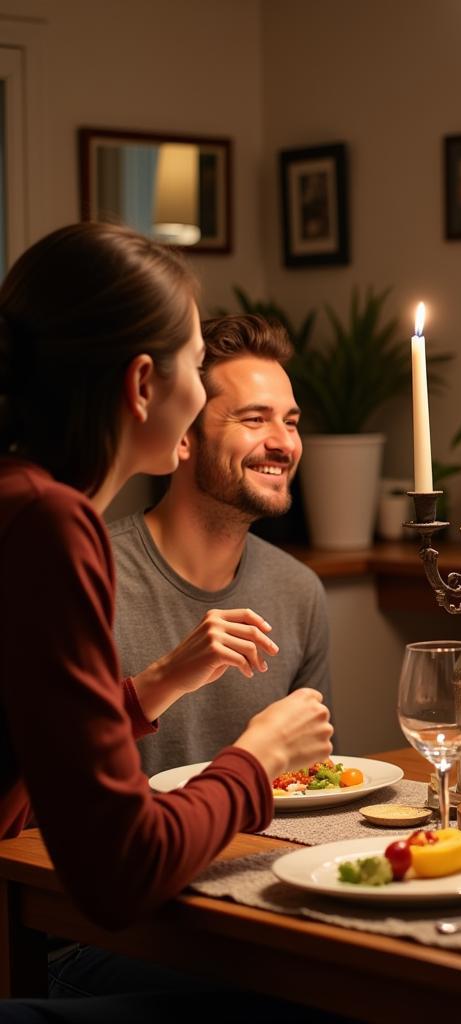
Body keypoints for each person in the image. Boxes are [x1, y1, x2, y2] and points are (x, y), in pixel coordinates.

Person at [0, 223, 335, 1020]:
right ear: (145, 385)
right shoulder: (52, 525)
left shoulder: (20, 498)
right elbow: (120, 873)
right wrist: (254, 762)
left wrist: (148, 690)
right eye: (193, 364)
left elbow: (23, 762)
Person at [110, 313, 332, 776]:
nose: (284, 444)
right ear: (184, 437)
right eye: (254, 419)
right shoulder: (98, 575)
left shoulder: (298, 591)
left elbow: (316, 780)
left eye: (290, 422)